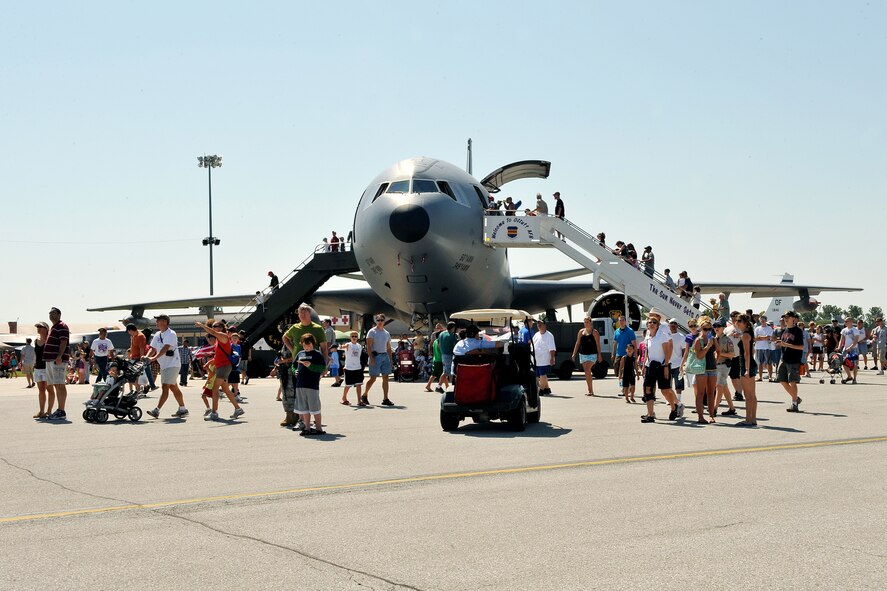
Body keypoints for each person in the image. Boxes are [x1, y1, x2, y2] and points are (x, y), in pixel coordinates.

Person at [281, 304, 328, 421]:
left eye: (304, 313)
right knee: (299, 394)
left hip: (313, 366)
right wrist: (293, 350)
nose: (302, 315)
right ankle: (302, 420)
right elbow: (285, 337)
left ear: (309, 314)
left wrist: (324, 366)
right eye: (300, 314)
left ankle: (315, 419)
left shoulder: (317, 328)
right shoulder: (295, 328)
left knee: (312, 393)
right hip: (299, 366)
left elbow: (324, 348)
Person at [194, 320, 245, 421]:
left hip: (224, 366)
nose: (213, 328)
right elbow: (219, 354)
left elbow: (212, 333)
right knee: (225, 389)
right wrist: (211, 360)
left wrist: (201, 325)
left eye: (215, 326)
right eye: (213, 326)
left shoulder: (223, 336)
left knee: (215, 388)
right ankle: (238, 409)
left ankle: (214, 413)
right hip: (221, 366)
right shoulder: (219, 338)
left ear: (221, 327)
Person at [145, 315, 189, 419]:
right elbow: (153, 347)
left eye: (158, 320)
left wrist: (154, 358)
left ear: (165, 321)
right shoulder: (157, 334)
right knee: (174, 387)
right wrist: (147, 356)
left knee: (165, 387)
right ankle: (183, 409)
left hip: (173, 364)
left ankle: (157, 410)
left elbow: (165, 348)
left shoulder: (171, 333)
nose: (156, 322)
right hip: (164, 365)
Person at [640, 308, 677, 423]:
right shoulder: (648, 336)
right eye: (649, 322)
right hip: (650, 366)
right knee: (648, 389)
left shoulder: (663, 335)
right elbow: (646, 350)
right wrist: (643, 364)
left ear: (657, 325)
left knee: (665, 390)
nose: (651, 324)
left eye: (654, 322)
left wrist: (666, 366)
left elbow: (667, 351)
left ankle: (674, 407)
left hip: (662, 366)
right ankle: (650, 415)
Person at [293, 333, 326, 436]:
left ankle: (319, 428)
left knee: (315, 407)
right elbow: (293, 366)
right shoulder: (300, 354)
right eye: (304, 345)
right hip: (300, 384)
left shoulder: (317, 354)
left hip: (312, 385)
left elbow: (322, 368)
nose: (307, 347)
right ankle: (307, 428)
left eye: (309, 345)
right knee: (303, 408)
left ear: (313, 343)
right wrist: (295, 371)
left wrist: (311, 366)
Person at [43, 307, 70, 421]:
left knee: (59, 384)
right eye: (49, 313)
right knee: (55, 384)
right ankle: (59, 410)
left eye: (53, 313)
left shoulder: (62, 326)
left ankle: (61, 410)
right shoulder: (53, 327)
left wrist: (59, 356)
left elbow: (64, 342)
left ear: (59, 314)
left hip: (57, 360)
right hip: (50, 360)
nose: (51, 315)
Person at [692, 316, 718, 423]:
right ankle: (700, 417)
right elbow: (699, 356)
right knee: (700, 393)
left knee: (711, 392)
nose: (707, 331)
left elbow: (718, 350)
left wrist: (716, 360)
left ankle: (711, 415)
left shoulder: (713, 339)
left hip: (712, 368)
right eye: (705, 329)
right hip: (701, 369)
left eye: (709, 329)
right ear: (701, 329)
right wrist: (707, 347)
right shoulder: (698, 340)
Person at [364, 314, 395, 406]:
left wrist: (391, 359)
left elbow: (388, 347)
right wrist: (371, 358)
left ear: (384, 321)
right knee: (373, 378)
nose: (380, 322)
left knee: (386, 378)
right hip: (376, 356)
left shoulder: (386, 333)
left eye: (381, 320)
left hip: (385, 356)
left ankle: (385, 398)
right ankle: (365, 395)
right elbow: (368, 346)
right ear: (376, 321)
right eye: (378, 320)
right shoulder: (372, 332)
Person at [734, 314, 759, 427]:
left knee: (748, 395)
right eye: (736, 321)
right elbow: (752, 351)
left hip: (746, 365)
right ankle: (752, 419)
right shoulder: (748, 333)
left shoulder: (745, 335)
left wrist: (747, 369)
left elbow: (747, 353)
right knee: (752, 395)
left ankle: (748, 419)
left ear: (745, 322)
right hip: (750, 364)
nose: (737, 322)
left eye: (739, 321)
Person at [777, 311, 805, 412]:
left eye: (787, 317)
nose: (785, 319)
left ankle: (794, 404)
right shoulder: (784, 331)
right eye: (784, 317)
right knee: (782, 380)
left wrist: (786, 345)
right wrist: (780, 343)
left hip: (794, 360)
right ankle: (796, 398)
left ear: (793, 318)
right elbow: (784, 343)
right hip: (784, 358)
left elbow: (801, 347)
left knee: (793, 382)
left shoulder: (798, 331)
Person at [571, 317, 602, 396]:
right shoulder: (581, 332)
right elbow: (577, 343)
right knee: (586, 371)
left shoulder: (594, 332)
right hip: (583, 354)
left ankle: (590, 391)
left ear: (591, 322)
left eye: (587, 322)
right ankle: (590, 390)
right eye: (585, 322)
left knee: (588, 369)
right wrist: (574, 353)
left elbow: (598, 344)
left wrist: (599, 355)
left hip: (592, 354)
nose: (586, 323)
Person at [713, 319, 738, 416]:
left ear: (723, 328)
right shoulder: (713, 339)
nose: (716, 328)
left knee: (719, 386)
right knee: (724, 387)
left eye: (718, 326)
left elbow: (732, 354)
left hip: (724, 365)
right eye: (715, 326)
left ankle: (714, 409)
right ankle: (732, 408)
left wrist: (720, 353)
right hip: (715, 366)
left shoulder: (727, 340)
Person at [666, 318, 686, 416]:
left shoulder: (681, 337)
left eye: (675, 323)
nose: (673, 325)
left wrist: (683, 364)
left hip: (678, 364)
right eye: (671, 323)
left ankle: (678, 401)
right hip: (668, 364)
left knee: (678, 384)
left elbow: (683, 351)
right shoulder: (666, 336)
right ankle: (671, 399)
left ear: (677, 325)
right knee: (668, 384)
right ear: (668, 325)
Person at [531, 320, 556, 395]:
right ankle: (547, 388)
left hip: (545, 359)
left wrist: (552, 358)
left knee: (542, 374)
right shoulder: (536, 334)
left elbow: (552, 348)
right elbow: (532, 346)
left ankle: (541, 389)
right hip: (536, 359)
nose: (539, 325)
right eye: (538, 324)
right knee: (538, 375)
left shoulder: (549, 335)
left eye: (541, 324)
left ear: (545, 325)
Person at [612, 316, 637, 386]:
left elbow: (634, 343)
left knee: (626, 372)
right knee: (618, 372)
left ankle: (625, 388)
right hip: (618, 354)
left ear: (625, 321)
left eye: (623, 320)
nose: (621, 322)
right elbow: (615, 343)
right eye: (620, 320)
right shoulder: (616, 331)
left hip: (627, 355)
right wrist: (613, 354)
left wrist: (635, 355)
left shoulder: (630, 331)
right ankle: (622, 386)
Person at [341, 331, 364, 405]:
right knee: (348, 385)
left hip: (358, 367)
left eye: (355, 336)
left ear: (357, 338)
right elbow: (342, 346)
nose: (354, 338)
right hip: (349, 368)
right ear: (350, 337)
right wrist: (342, 346)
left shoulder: (359, 346)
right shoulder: (348, 345)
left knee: (359, 384)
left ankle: (359, 401)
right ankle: (344, 397)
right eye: (352, 336)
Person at [436, 321, 457, 393]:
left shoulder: (441, 334)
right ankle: (439, 386)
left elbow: (438, 345)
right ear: (453, 328)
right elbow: (455, 346)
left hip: (443, 354)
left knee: (446, 371)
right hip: (449, 354)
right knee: (448, 371)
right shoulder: (452, 336)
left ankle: (446, 386)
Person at [838, 317, 860, 384]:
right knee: (844, 363)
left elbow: (856, 340)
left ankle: (855, 379)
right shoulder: (844, 330)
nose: (845, 322)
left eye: (846, 321)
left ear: (850, 322)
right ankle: (849, 376)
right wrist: (839, 347)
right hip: (846, 348)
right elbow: (841, 340)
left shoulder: (855, 330)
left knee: (855, 364)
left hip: (854, 349)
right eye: (845, 321)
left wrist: (850, 347)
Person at [753, 315, 774, 382]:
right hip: (758, 347)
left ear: (765, 320)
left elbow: (768, 337)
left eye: (763, 320)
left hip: (767, 347)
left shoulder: (769, 328)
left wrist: (760, 337)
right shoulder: (757, 328)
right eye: (761, 320)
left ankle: (770, 377)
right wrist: (763, 337)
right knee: (760, 363)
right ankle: (760, 377)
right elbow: (755, 338)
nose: (762, 321)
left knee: (769, 362)